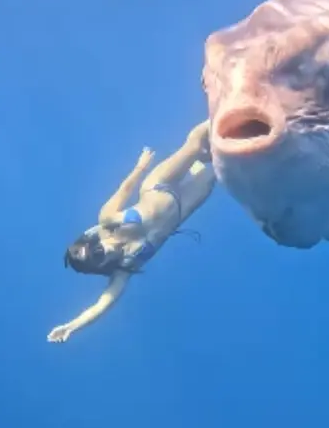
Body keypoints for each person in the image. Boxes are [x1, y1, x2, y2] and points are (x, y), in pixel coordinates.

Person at [48, 121, 215, 343]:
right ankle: (209, 155)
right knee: (216, 169)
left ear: (93, 242)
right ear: (100, 267)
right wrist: (72, 326)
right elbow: (103, 304)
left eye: (96, 250)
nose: (105, 252)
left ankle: (223, 112)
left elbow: (124, 190)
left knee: (195, 144)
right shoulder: (126, 266)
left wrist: (140, 167)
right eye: (99, 259)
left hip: (158, 185)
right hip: (181, 208)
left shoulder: (107, 220)